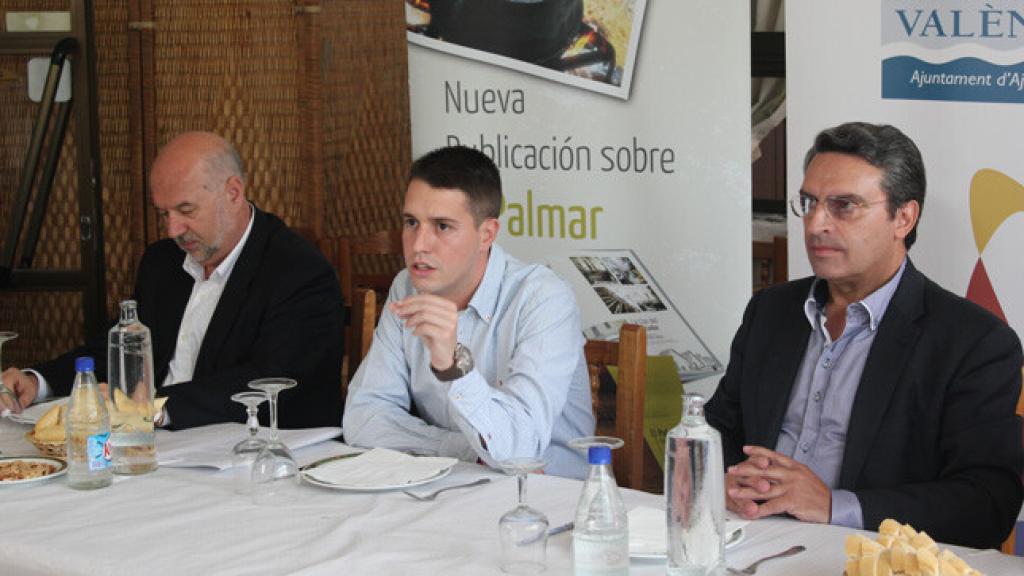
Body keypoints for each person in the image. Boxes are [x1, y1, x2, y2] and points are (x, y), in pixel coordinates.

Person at [705, 122, 1023, 549]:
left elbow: (986, 504)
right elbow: (717, 429)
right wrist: (722, 480)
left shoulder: (973, 342)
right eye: (809, 202)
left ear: (903, 217)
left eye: (844, 206)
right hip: (748, 541)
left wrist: (834, 505)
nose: (817, 224)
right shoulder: (770, 311)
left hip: (869, 554)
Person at [0, 132, 345, 429]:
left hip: (245, 453)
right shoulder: (162, 262)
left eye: (186, 211)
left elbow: (271, 382)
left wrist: (154, 407)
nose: (172, 230)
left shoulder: (298, 270)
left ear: (234, 192)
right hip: (151, 444)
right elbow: (118, 350)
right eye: (164, 213)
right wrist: (38, 381)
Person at [342, 146, 595, 478]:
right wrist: (463, 451)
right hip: (451, 488)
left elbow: (519, 452)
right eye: (411, 222)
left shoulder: (542, 298)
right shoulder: (407, 286)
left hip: (552, 504)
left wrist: (454, 367)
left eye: (442, 226)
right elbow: (363, 418)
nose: (418, 244)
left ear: (486, 234)